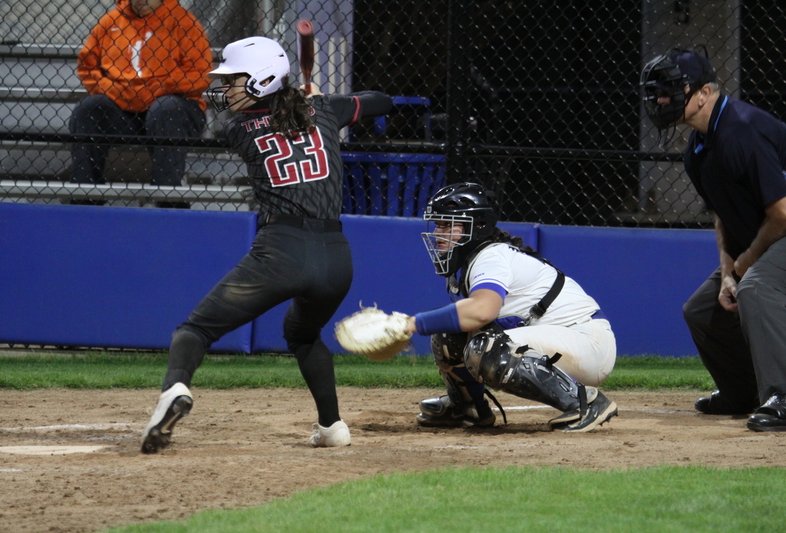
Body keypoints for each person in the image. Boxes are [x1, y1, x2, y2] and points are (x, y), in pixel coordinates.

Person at [140, 36, 393, 453]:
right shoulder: (326, 110)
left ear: (260, 80)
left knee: (195, 329)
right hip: (336, 257)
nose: (225, 90)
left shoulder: (236, 127)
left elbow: (274, 120)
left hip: (282, 250)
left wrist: (313, 104)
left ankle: (174, 390)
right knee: (303, 331)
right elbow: (380, 100)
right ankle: (332, 427)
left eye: (234, 80)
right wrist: (327, 101)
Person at [641, 48, 786, 431]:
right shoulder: (698, 149)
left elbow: (782, 213)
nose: (660, 100)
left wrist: (747, 262)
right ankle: (742, 391)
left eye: (670, 90)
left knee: (756, 287)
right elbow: (723, 214)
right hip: (769, 235)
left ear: (704, 92)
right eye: (657, 92)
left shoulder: (743, 131)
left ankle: (783, 395)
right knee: (703, 311)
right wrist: (726, 270)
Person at [402, 182, 618, 432]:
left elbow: (483, 310)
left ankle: (586, 403)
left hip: (588, 343)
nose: (439, 233)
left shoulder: (491, 257)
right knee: (449, 333)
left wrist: (410, 324)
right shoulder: (474, 261)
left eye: (448, 225)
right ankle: (468, 407)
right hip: (561, 339)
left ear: (478, 226)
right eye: (438, 225)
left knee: (486, 348)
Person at [69, 0, 212, 207]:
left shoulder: (183, 22)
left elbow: (200, 74)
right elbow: (87, 67)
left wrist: (155, 89)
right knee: (89, 109)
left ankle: (168, 200)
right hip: (122, 109)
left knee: (166, 109)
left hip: (173, 108)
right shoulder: (110, 22)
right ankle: (84, 198)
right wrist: (116, 90)